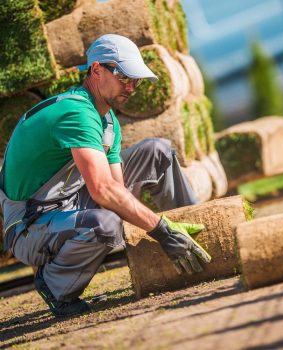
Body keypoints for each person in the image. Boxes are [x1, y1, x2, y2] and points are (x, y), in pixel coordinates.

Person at [0, 34, 211, 317]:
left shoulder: (107, 120)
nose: (132, 86)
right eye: (125, 77)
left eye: (136, 80)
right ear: (97, 70)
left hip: (67, 204)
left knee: (157, 151)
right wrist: (160, 229)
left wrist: (158, 228)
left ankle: (198, 239)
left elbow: (117, 188)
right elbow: (102, 191)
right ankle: (54, 285)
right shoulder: (75, 112)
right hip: (29, 226)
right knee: (105, 223)